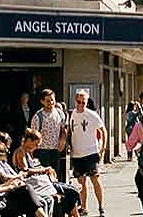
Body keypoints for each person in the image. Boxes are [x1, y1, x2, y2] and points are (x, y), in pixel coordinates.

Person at [12, 128, 81, 217]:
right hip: (36, 185)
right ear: (29, 140)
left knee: (71, 193)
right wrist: (44, 170)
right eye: (36, 144)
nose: (36, 147)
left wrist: (46, 170)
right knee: (70, 192)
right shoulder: (21, 152)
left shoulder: (28, 152)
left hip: (41, 183)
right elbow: (25, 170)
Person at [0, 134, 50, 217]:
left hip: (0, 199)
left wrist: (11, 183)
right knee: (25, 193)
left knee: (26, 193)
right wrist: (10, 187)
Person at [69, 89, 108, 217]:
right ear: (75, 101)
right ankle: (84, 208)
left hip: (91, 153)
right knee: (81, 183)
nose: (80, 105)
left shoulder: (92, 115)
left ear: (87, 102)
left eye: (83, 102)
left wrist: (102, 149)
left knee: (95, 179)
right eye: (78, 102)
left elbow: (103, 131)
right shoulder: (72, 114)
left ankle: (101, 206)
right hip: (77, 154)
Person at [29, 89, 68, 181]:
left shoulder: (60, 113)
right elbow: (33, 136)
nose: (50, 102)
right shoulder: (38, 116)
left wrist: (62, 140)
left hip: (55, 150)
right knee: (45, 177)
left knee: (56, 176)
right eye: (48, 100)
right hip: (42, 151)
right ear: (42, 101)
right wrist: (31, 153)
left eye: (52, 99)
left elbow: (64, 129)